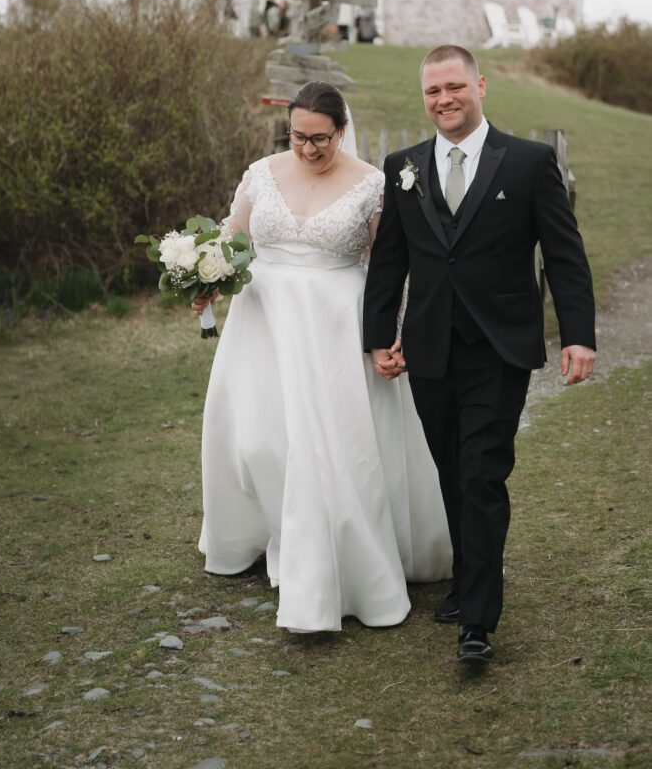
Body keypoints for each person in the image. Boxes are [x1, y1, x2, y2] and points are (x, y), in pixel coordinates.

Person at [363, 45, 596, 664]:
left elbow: (564, 255)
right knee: (449, 468)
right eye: (433, 91)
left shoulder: (527, 162)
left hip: (500, 348)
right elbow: (390, 260)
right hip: (429, 348)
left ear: (480, 85)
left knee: (481, 472)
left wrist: (578, 333)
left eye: (454, 86)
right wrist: (377, 335)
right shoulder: (403, 166)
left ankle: (478, 620)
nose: (444, 99)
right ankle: (470, 576)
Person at [194, 81, 452, 633]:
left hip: (336, 326)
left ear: (342, 131)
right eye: (298, 138)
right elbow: (233, 237)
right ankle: (276, 536)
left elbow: (390, 267)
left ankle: (329, 556)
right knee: (259, 439)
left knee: (333, 449)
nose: (309, 150)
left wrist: (395, 331)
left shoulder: (370, 185)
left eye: (321, 139)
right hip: (263, 324)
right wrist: (205, 276)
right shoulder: (262, 172)